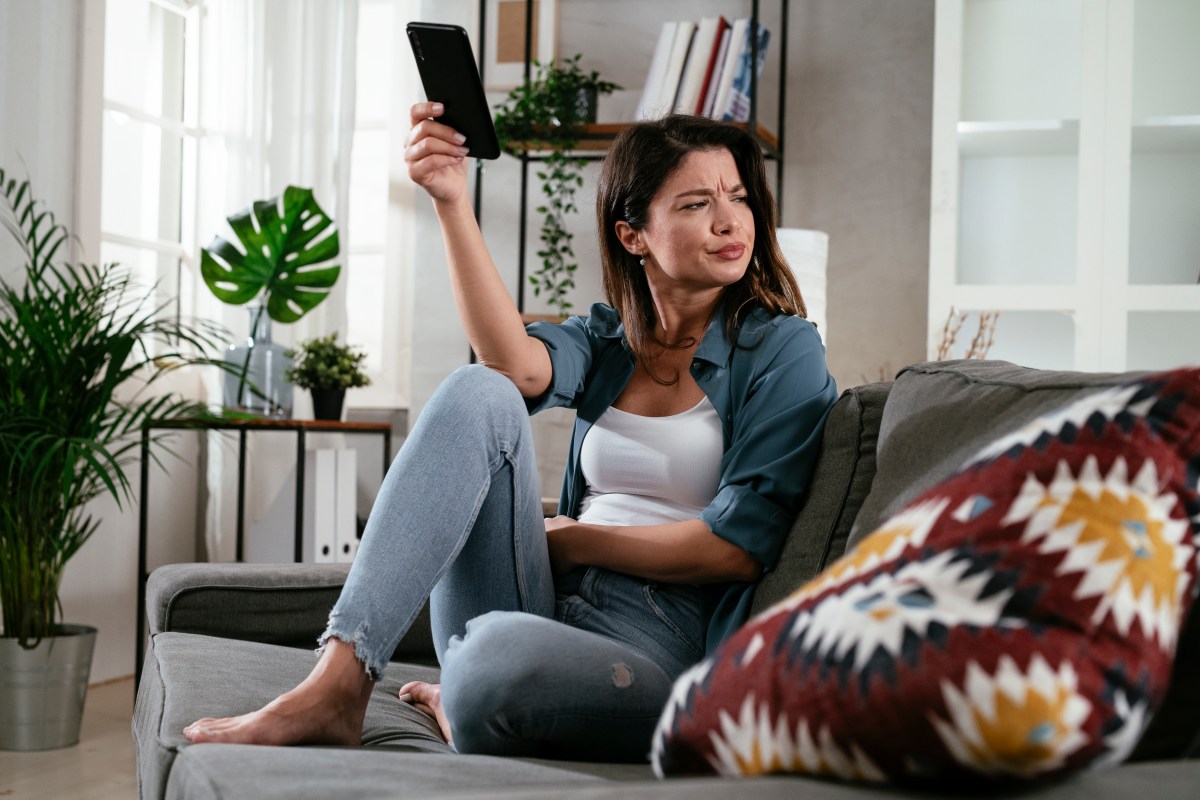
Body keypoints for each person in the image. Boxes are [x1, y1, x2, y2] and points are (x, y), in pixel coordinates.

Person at [183, 105, 838, 761]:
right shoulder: (610, 339)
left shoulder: (782, 350)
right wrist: (450, 202)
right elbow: (512, 367)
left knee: (493, 657)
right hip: (534, 595)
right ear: (633, 235)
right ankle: (339, 681)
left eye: (739, 198)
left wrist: (576, 539)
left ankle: (472, 694)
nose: (730, 222)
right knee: (479, 388)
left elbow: (736, 548)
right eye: (697, 203)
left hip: (658, 638)